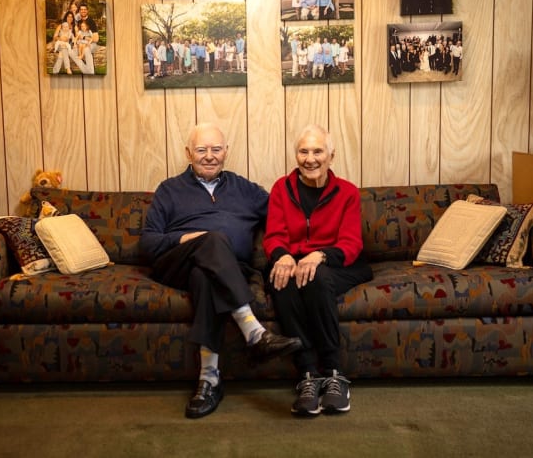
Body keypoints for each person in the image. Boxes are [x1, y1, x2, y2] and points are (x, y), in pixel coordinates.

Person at [139, 123, 303, 419]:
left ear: (226, 152)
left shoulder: (246, 189)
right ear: (188, 153)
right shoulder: (170, 190)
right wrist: (186, 238)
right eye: (202, 150)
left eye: (216, 149)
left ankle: (209, 379)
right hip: (176, 264)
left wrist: (292, 253)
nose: (209, 156)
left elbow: (282, 220)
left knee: (207, 276)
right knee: (213, 239)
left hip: (227, 270)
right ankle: (253, 332)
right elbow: (148, 242)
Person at [263, 124, 372, 417]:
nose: (310, 158)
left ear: (331, 155)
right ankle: (308, 376)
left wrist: (320, 255)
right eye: (303, 151)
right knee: (281, 279)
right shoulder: (281, 189)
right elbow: (273, 234)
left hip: (338, 264)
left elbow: (351, 242)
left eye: (318, 151)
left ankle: (334, 374)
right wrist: (283, 255)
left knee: (316, 276)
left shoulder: (347, 192)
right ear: (296, 155)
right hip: (294, 261)